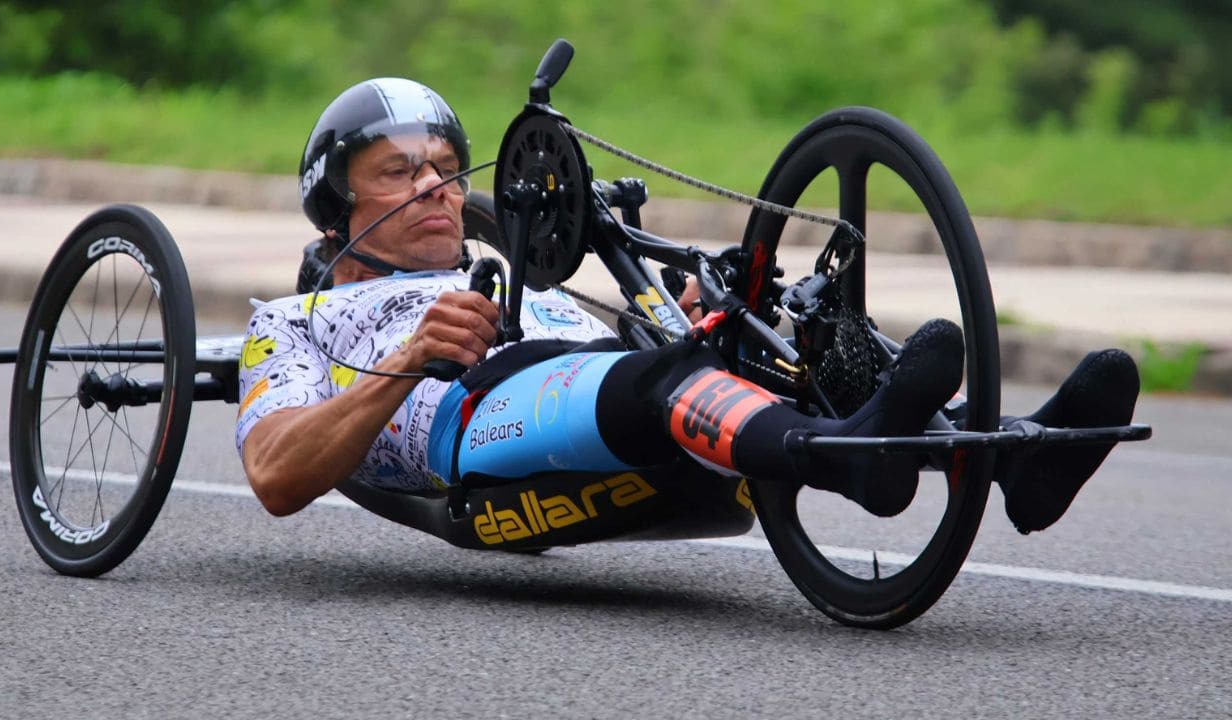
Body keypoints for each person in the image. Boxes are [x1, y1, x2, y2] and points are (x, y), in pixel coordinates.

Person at [236, 78, 1140, 534]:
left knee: (768, 328)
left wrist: (684, 308)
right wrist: (405, 365)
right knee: (660, 378)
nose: (434, 185)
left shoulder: (519, 276)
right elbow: (275, 475)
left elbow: (633, 340)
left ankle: (1012, 455)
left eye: (442, 166)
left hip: (600, 379)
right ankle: (850, 463)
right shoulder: (290, 324)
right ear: (336, 206)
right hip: (474, 422)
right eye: (399, 172)